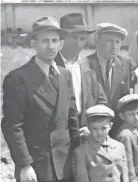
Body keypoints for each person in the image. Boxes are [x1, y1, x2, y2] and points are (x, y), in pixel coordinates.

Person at [1, 16, 79, 182]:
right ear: (33, 44)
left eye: (55, 40)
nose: (50, 46)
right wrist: (24, 165)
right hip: (38, 165)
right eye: (44, 40)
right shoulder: (18, 78)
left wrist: (77, 153)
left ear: (61, 44)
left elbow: (72, 118)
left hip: (66, 161)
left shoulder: (65, 74)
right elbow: (12, 126)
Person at [55, 13, 107, 139]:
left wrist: (93, 125)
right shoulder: (53, 64)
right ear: (63, 38)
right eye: (74, 37)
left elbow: (101, 99)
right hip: (59, 132)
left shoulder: (87, 64)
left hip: (85, 129)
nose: (79, 43)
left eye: (82, 38)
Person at [87, 22, 135, 138]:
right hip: (95, 127)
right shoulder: (86, 63)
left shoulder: (126, 63)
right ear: (98, 41)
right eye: (109, 41)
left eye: (117, 42)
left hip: (119, 125)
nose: (114, 46)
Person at [72, 105, 129, 182]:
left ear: (110, 126)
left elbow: (125, 177)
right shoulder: (81, 152)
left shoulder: (120, 147)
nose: (99, 133)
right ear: (88, 127)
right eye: (94, 128)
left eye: (103, 128)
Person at [116, 94, 138, 182]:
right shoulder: (125, 135)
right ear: (122, 116)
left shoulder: (135, 130)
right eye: (131, 114)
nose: (136, 118)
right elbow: (128, 166)